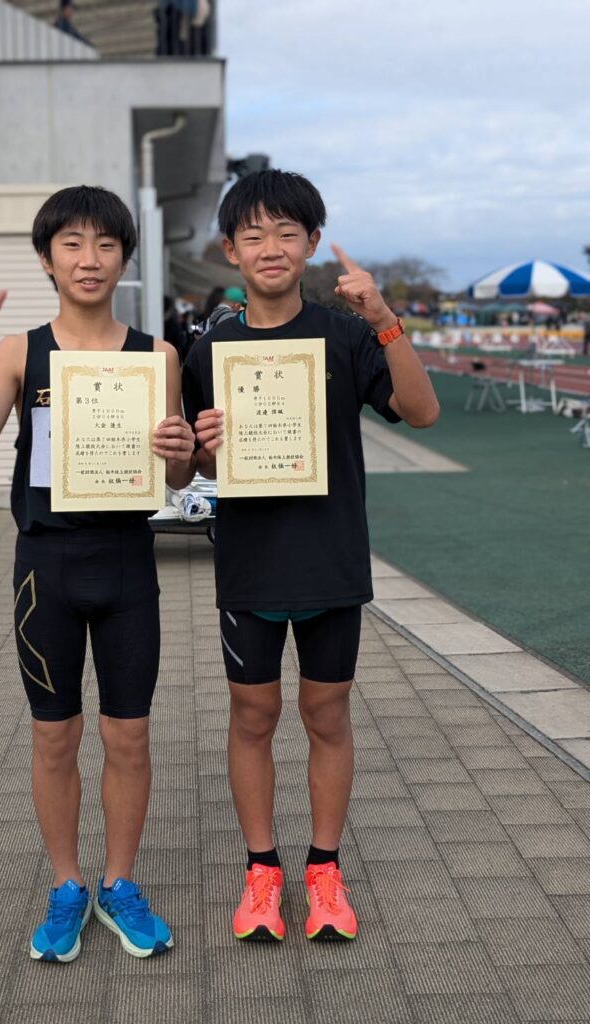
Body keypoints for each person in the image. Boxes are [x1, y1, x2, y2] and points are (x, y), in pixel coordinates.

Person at [182, 169, 439, 943]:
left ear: (312, 244)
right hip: (250, 562)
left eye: (287, 233)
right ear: (230, 249)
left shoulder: (347, 334)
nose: (271, 248)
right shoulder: (213, 348)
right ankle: (263, 873)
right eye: (253, 235)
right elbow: (193, 465)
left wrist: (385, 316)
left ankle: (323, 870)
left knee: (326, 713)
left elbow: (421, 413)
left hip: (330, 559)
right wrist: (199, 450)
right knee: (252, 714)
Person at [0, 186, 195, 961]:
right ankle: (66, 886)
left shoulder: (157, 356)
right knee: (55, 737)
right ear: (47, 257)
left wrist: (182, 455)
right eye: (72, 245)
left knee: (130, 735)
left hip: (127, 567)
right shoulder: (21, 352)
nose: (90, 260)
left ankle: (119, 884)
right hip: (45, 570)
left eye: (106, 245)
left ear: (125, 256)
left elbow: (180, 481)